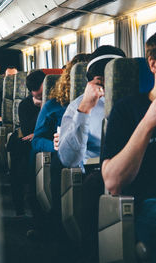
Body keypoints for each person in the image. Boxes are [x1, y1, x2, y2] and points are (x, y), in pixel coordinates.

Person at [101, 26, 156, 263]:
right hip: (153, 203)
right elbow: (113, 182)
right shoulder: (128, 109)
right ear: (153, 64)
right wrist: (148, 123)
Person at [31, 53, 90, 241]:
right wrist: (55, 145)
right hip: (65, 157)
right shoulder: (54, 106)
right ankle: (56, 224)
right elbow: (36, 140)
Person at [58, 45, 126, 169]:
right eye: (101, 82)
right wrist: (84, 109)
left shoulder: (141, 101)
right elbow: (68, 159)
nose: (108, 88)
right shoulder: (77, 107)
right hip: (97, 172)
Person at [7, 69, 45, 217]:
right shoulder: (25, 105)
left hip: (41, 141)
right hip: (23, 143)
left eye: (43, 93)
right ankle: (20, 208)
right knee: (20, 167)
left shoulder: (57, 100)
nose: (41, 96)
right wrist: (42, 108)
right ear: (31, 92)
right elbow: (28, 130)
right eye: (37, 94)